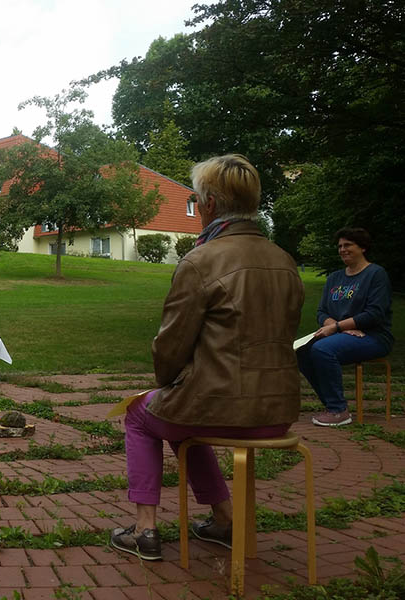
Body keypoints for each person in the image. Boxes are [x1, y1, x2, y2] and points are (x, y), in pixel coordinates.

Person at [110, 155, 304, 561]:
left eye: (197, 202)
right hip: (277, 412)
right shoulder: (285, 261)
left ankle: (145, 529)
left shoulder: (200, 261)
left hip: (219, 406)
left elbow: (170, 349)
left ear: (211, 205)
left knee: (140, 414)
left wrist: (166, 380)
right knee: (182, 420)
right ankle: (224, 518)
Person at [297, 228, 394, 427]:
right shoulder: (334, 278)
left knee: (323, 349)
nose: (342, 249)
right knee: (303, 350)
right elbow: (321, 312)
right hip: (343, 333)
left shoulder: (376, 274)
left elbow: (374, 314)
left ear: (363, 247)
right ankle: (331, 404)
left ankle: (338, 410)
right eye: (340, 246)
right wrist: (339, 328)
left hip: (374, 336)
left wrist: (338, 327)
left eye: (348, 245)